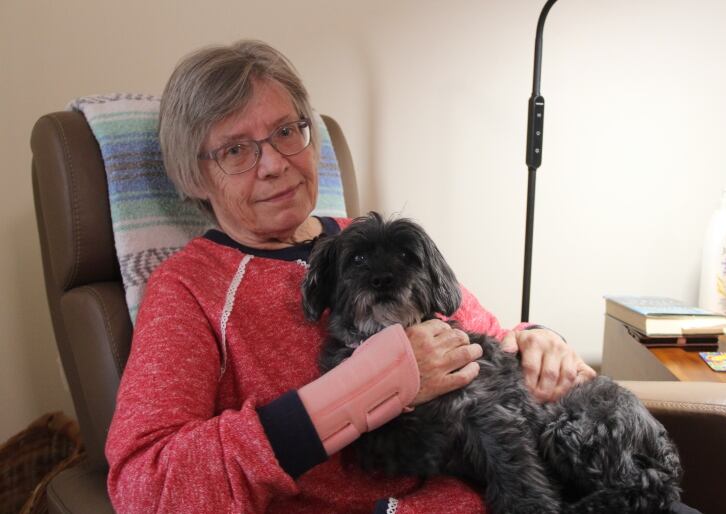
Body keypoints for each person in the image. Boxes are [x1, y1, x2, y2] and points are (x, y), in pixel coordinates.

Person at [105, 40, 597, 514]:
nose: (276, 164)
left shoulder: (370, 242)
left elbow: (483, 338)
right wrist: (367, 387)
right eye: (235, 151)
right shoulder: (189, 288)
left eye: (285, 132)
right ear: (195, 176)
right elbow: (146, 485)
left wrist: (538, 342)